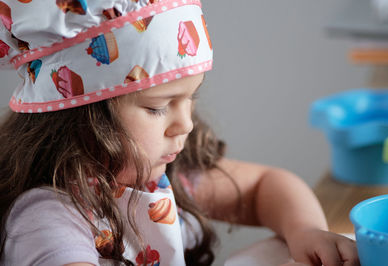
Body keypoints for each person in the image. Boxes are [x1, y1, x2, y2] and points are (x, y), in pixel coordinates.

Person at [0, 0, 359, 265]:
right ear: (80, 117)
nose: (185, 124)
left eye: (190, 99)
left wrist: (305, 231)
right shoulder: (50, 219)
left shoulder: (165, 179)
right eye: (158, 106)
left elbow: (268, 185)